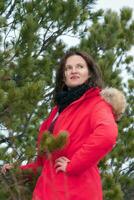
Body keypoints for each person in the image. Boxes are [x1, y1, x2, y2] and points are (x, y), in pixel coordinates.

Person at [1, 51, 126, 200]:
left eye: (79, 66)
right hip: (46, 193)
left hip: (77, 192)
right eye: (68, 68)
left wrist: (74, 164)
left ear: (90, 73)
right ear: (64, 76)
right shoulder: (57, 111)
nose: (73, 70)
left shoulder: (97, 103)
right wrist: (18, 172)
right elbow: (44, 163)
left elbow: (107, 135)